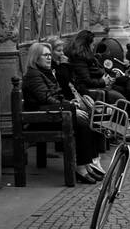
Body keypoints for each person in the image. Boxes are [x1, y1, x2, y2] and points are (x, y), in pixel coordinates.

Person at [22, 41, 106, 183]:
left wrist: (69, 104)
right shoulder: (34, 75)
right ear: (35, 58)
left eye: (49, 55)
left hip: (52, 114)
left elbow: (56, 96)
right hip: (42, 119)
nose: (49, 58)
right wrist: (72, 110)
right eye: (45, 55)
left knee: (88, 119)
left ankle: (86, 164)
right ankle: (81, 167)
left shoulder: (45, 72)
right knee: (83, 122)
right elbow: (47, 100)